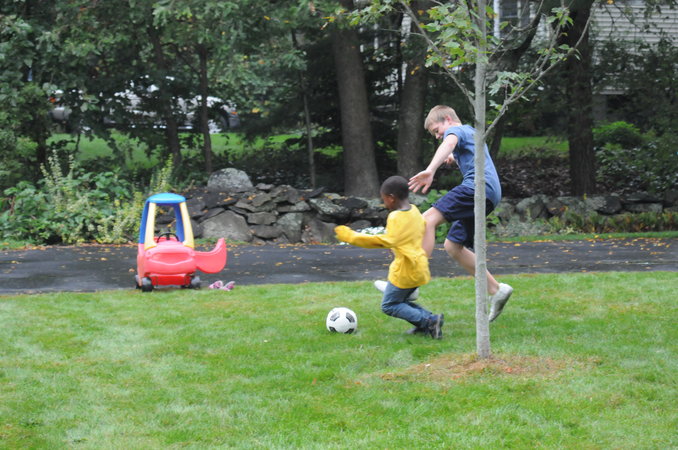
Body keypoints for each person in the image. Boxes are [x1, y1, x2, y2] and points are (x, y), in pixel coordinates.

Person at [408, 105, 513, 322]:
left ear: (448, 119)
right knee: (453, 246)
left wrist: (430, 169)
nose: (438, 136)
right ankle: (496, 290)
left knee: (426, 221)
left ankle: (411, 283)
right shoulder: (471, 133)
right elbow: (467, 152)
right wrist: (453, 158)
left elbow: (449, 141)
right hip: (490, 193)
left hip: (477, 187)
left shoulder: (457, 131)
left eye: (437, 131)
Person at [334, 175, 444, 339]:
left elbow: (385, 241)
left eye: (384, 199)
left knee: (390, 305)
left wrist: (351, 237)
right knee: (401, 301)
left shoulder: (396, 217)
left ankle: (428, 321)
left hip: (405, 271)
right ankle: (429, 322)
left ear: (391, 198)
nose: (384, 202)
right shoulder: (414, 211)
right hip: (419, 267)